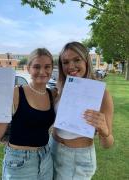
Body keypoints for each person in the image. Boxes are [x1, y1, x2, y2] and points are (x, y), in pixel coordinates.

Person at [0, 48, 55, 180]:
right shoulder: (15, 94)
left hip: (46, 159)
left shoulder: (52, 95)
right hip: (20, 163)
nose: (42, 71)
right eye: (36, 66)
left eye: (47, 67)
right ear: (28, 68)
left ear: (52, 68)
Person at [50, 42, 114, 180]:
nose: (71, 66)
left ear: (86, 61)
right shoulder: (60, 88)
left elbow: (107, 144)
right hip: (52, 149)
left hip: (77, 158)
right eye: (65, 62)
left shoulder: (101, 94)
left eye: (77, 60)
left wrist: (104, 131)